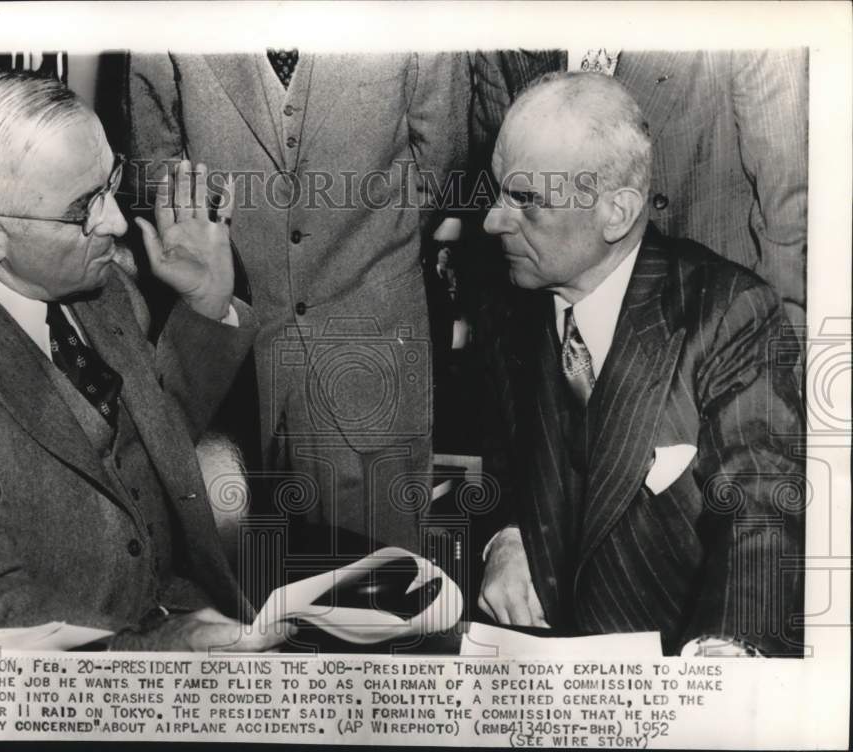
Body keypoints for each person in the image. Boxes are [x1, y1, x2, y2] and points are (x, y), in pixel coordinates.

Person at [0, 71, 288, 652]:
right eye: (83, 208)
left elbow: (153, 451)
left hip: (203, 611)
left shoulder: (102, 285)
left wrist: (205, 304)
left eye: (109, 185)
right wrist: (149, 647)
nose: (113, 223)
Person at [476, 72, 805, 657]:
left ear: (617, 213)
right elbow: (512, 464)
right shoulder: (511, 307)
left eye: (525, 200)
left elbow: (763, 505)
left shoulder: (728, 313)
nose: (493, 221)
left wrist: (728, 644)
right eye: (498, 192)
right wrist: (506, 536)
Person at [125, 52, 469, 557]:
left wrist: (360, 248)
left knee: (382, 588)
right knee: (237, 593)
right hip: (228, 356)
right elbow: (157, 171)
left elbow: (440, 163)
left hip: (371, 338)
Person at [471, 49, 808, 331]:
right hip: (559, 334)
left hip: (708, 326)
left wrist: (778, 346)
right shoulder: (505, 37)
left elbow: (789, 209)